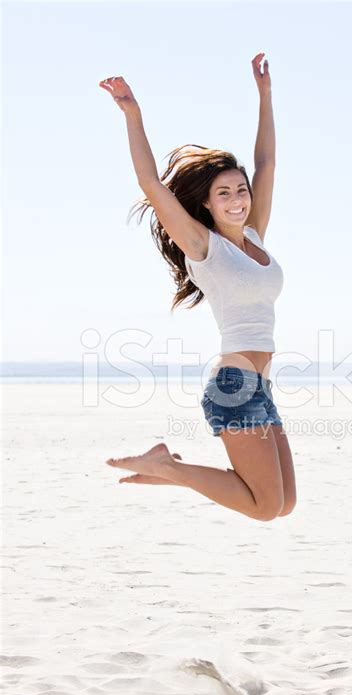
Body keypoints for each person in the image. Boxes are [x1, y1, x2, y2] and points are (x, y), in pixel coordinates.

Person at [99, 53, 296, 521]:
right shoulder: (203, 245)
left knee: (285, 504)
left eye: (240, 190)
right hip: (234, 386)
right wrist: (133, 113)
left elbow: (266, 163)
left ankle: (168, 468)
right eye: (223, 193)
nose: (237, 199)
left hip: (260, 386)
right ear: (206, 204)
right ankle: (169, 468)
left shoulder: (253, 237)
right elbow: (151, 183)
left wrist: (265, 97)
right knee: (266, 507)